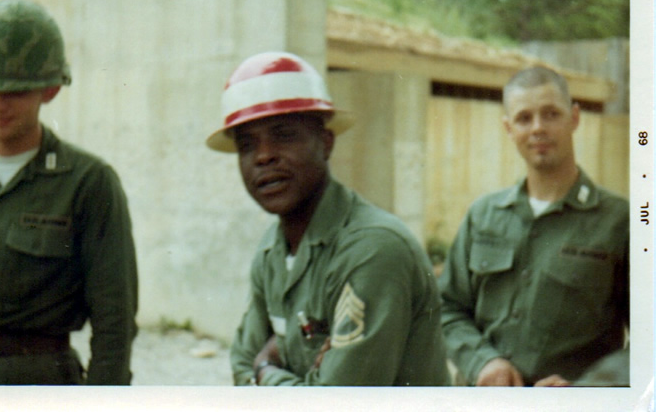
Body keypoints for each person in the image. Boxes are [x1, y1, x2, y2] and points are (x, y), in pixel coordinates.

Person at [207, 51, 450, 386]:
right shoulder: (271, 251)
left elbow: (335, 404)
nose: (264, 156)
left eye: (283, 134)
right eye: (247, 145)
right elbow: (241, 362)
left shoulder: (373, 249)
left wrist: (265, 369)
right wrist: (271, 371)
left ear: (325, 142)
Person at [0, 0, 138, 385]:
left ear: (49, 91)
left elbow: (115, 322)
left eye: (12, 91)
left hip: (40, 381)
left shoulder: (88, 182)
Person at [439, 66, 629, 387]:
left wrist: (586, 390)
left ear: (574, 118)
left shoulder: (620, 222)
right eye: (524, 118)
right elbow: (446, 309)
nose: (538, 128)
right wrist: (483, 362)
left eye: (551, 114)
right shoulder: (482, 215)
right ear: (508, 128)